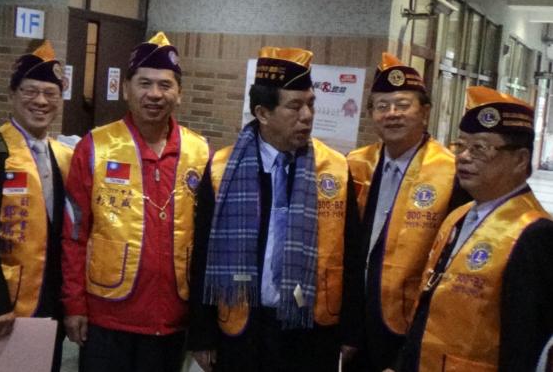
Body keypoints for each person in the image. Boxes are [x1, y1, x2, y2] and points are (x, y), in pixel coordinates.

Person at [188, 47, 362, 372]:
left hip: (310, 329)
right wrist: (202, 334)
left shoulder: (334, 169)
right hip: (242, 324)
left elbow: (351, 256)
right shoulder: (222, 169)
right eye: (294, 106)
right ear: (263, 113)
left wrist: (351, 331)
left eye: (311, 103)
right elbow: (202, 255)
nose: (307, 115)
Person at [61, 32, 210, 372]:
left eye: (165, 85)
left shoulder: (200, 152)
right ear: (126, 88)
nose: (154, 94)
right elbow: (74, 234)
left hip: (172, 319)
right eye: (144, 83)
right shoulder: (95, 147)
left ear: (179, 93)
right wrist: (74, 304)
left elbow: (207, 242)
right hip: (107, 315)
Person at [394, 86, 553, 372]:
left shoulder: (533, 234)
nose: (464, 157)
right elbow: (428, 304)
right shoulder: (460, 215)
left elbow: (525, 342)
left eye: (480, 148)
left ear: (520, 159)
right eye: (461, 145)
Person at [343, 53, 470, 371]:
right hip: (354, 321)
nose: (392, 114)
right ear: (371, 113)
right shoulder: (355, 164)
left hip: (409, 326)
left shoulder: (451, 173)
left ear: (425, 112)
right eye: (382, 106)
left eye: (402, 105)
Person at [0, 41, 72, 371]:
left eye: (50, 93)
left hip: (49, 299)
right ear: (12, 94)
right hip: (1, 300)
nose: (41, 101)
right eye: (30, 91)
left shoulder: (64, 156)